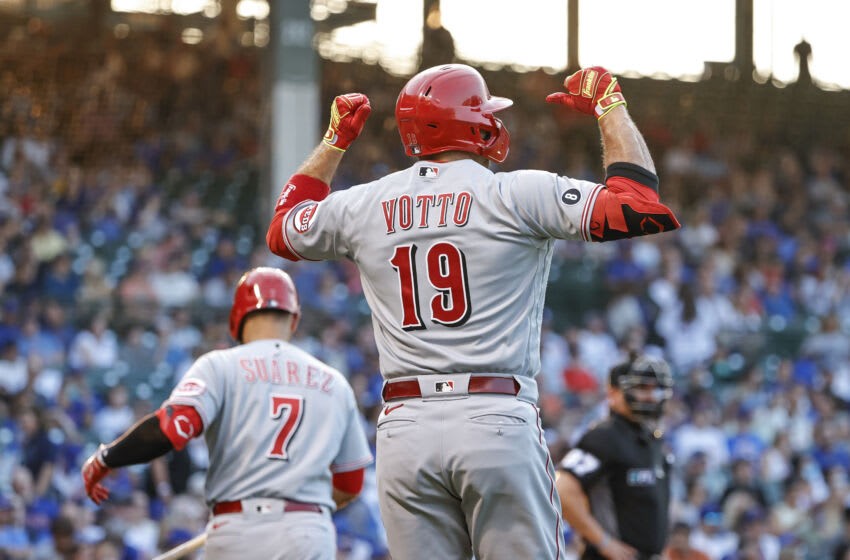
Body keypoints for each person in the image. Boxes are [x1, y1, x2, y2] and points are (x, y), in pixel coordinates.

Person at [265, 63, 680, 559]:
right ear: (473, 124)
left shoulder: (365, 203)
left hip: (404, 426)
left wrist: (334, 141)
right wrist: (610, 107)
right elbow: (636, 205)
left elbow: (283, 230)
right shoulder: (515, 193)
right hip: (494, 415)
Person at [81, 267, 373, 560]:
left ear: (238, 317)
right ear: (293, 319)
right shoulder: (334, 382)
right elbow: (350, 484)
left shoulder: (220, 365)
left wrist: (107, 458)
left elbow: (172, 429)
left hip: (238, 529)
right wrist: (299, 510)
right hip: (309, 532)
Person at [556, 355, 674, 560]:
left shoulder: (650, 439)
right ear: (614, 392)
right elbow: (562, 489)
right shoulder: (606, 436)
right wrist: (603, 542)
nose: (650, 396)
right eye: (642, 388)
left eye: (654, 389)